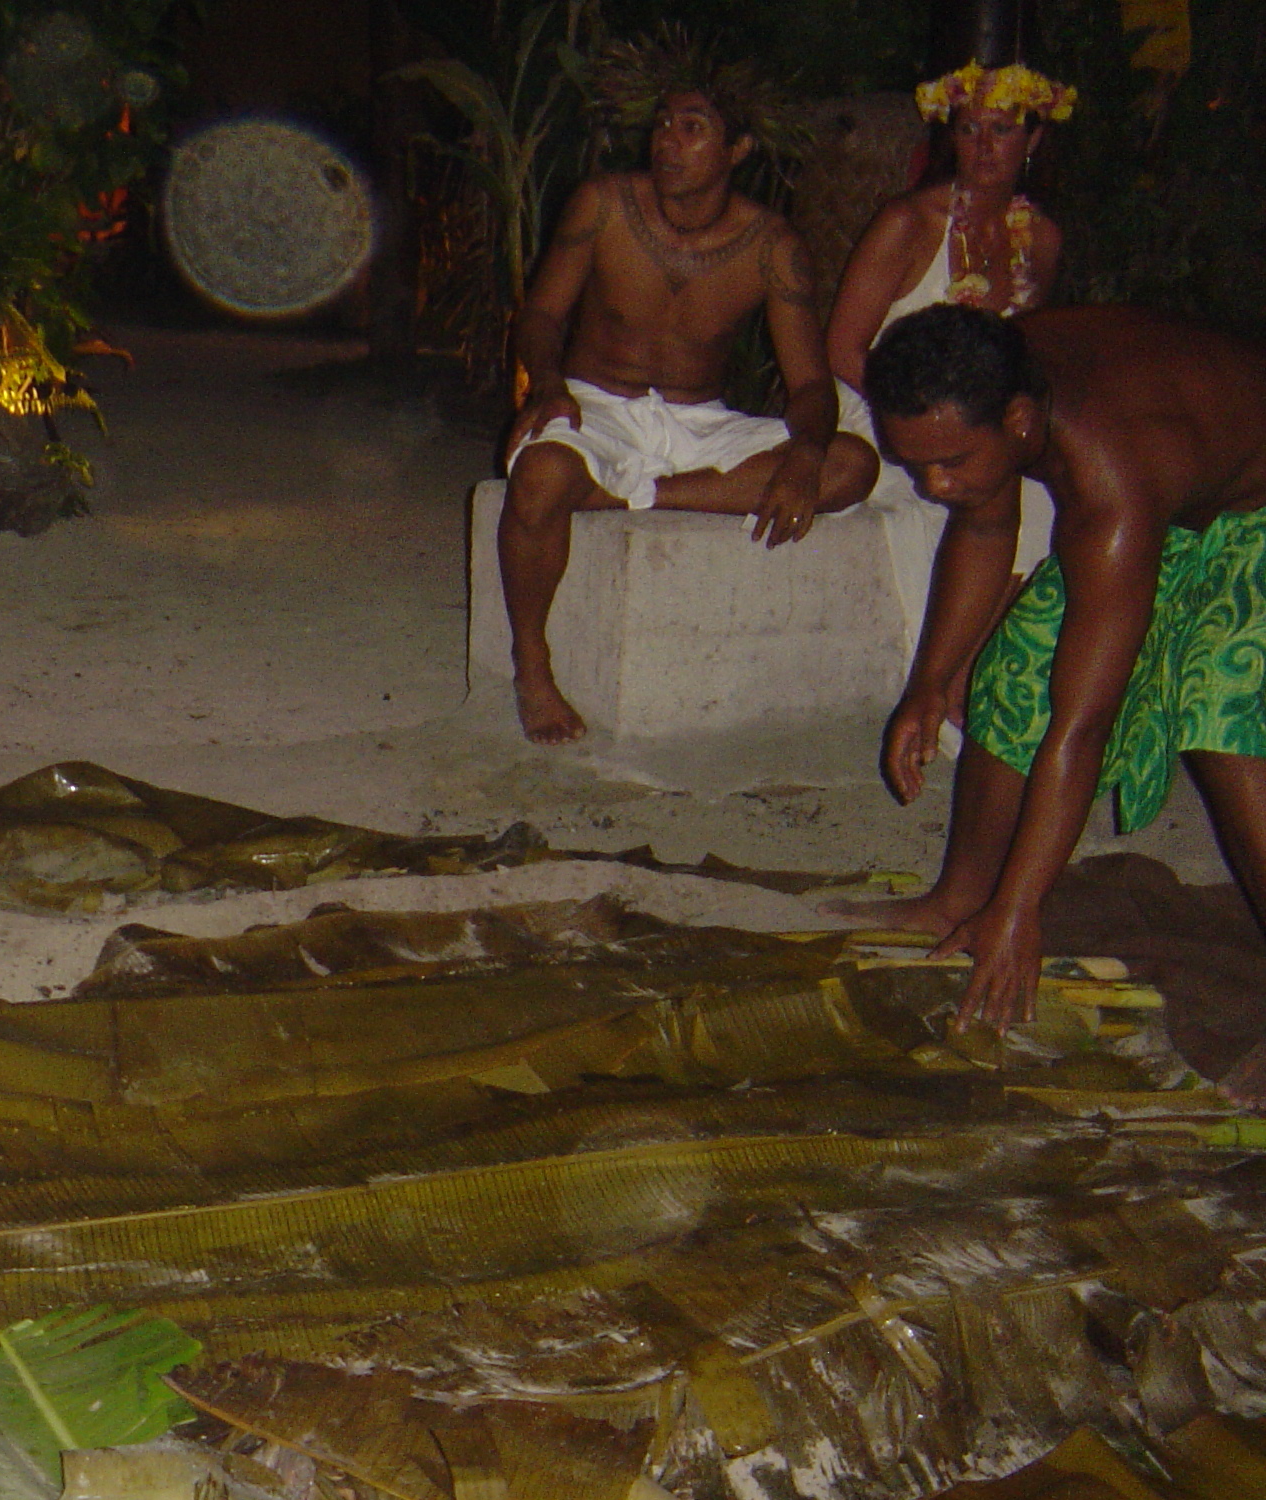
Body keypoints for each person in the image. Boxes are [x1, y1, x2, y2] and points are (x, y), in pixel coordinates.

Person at [834, 305, 1266, 1048]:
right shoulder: (989, 377)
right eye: (916, 466)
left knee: (1220, 715)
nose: (934, 485)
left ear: (1021, 422)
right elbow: (982, 522)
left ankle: (999, 904)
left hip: (1253, 506)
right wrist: (930, 684)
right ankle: (959, 899)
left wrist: (1024, 908)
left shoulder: (1112, 477)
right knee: (1017, 669)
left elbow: (1083, 721)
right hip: (1175, 492)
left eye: (950, 462)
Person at [499, 56, 877, 745]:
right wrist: (548, 385)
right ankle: (531, 665)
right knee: (538, 478)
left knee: (851, 467)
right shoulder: (604, 205)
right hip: (595, 402)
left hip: (699, 424)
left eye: (693, 127)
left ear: (736, 150)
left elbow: (812, 385)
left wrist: (806, 453)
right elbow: (541, 316)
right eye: (664, 123)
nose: (668, 140)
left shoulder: (771, 246)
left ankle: (630, 494)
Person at [826, 60, 1071, 674]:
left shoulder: (1039, 237)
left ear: (1033, 138)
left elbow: (1024, 353)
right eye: (968, 130)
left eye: (1002, 130)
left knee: (1045, 497)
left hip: (974, 426)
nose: (984, 147)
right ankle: (951, 679)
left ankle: (999, 671)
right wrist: (914, 426)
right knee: (941, 502)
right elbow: (843, 348)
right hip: (886, 417)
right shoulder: (909, 222)